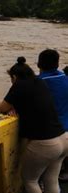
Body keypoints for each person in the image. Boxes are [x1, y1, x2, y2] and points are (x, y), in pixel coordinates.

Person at [0, 57, 68, 193]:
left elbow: (3, 108)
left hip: (45, 143)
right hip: (63, 138)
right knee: (51, 178)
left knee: (30, 179)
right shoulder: (40, 82)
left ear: (14, 77)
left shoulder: (18, 86)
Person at [37, 49, 68, 181]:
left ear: (39, 64)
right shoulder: (65, 79)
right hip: (66, 133)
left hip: (49, 136)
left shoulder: (37, 82)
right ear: (57, 64)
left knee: (35, 177)